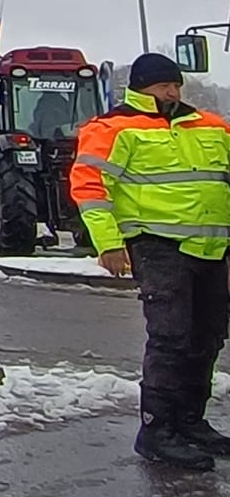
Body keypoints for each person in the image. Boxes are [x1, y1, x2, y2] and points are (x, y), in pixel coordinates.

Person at [71, 52, 230, 468]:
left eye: (176, 85)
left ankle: (190, 422)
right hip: (156, 246)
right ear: (142, 88)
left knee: (207, 337)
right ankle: (156, 430)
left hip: (212, 248)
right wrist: (108, 244)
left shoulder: (210, 125)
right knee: (171, 337)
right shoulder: (112, 128)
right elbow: (90, 187)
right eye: (163, 86)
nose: (172, 92)